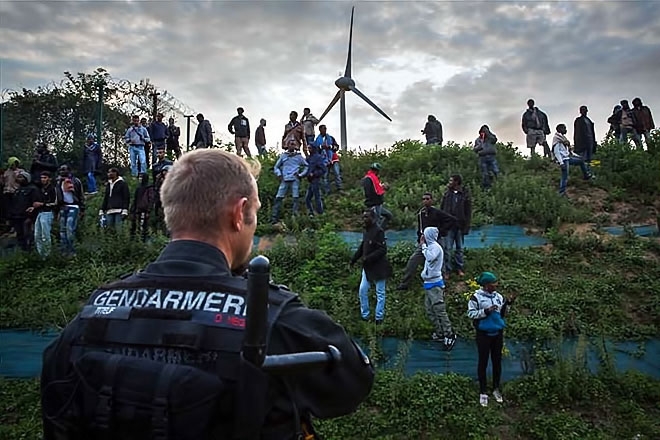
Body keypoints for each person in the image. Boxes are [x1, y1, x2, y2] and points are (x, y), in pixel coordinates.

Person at [41, 149, 374, 440]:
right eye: (255, 214)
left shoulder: (93, 312)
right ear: (238, 213)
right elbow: (352, 384)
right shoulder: (271, 316)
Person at [467, 272, 516, 407]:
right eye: (493, 284)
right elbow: (471, 314)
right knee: (483, 362)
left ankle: (496, 388)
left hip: (497, 333)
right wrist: (486, 311)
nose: (496, 285)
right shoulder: (476, 298)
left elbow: (502, 315)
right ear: (486, 285)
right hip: (483, 334)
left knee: (497, 362)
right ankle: (483, 391)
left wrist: (508, 304)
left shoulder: (498, 297)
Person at [398, 192, 456, 291]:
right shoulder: (421, 213)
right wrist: (419, 238)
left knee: (439, 263)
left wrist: (441, 231)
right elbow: (420, 227)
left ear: (431, 200)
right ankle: (405, 283)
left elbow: (451, 220)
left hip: (436, 241)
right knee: (413, 260)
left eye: (427, 199)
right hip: (424, 242)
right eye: (424, 199)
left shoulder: (437, 212)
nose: (425, 201)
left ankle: (442, 285)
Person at [350, 208, 390, 324]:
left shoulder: (378, 231)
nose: (364, 219)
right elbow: (363, 246)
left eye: (367, 217)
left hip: (379, 267)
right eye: (363, 217)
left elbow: (383, 249)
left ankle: (379, 318)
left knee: (380, 293)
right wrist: (354, 259)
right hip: (367, 267)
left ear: (373, 218)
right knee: (362, 290)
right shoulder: (366, 231)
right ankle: (365, 316)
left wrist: (369, 257)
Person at [421, 226, 456, 351]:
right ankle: (440, 332)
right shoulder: (431, 247)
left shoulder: (435, 247)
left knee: (440, 311)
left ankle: (449, 334)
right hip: (428, 284)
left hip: (435, 285)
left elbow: (430, 257)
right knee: (430, 310)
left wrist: (423, 247)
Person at [440, 174, 471, 277]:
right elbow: (442, 210)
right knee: (447, 249)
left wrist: (466, 227)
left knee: (459, 249)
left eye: (451, 181)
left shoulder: (464, 195)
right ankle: (447, 270)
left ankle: (459, 268)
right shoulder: (446, 194)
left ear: (456, 182)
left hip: (460, 226)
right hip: (448, 226)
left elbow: (468, 212)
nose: (449, 183)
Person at [270, 142, 308, 224]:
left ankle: (295, 218)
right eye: (290, 144)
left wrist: (301, 174)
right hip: (284, 179)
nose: (292, 146)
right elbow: (276, 167)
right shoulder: (283, 156)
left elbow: (306, 166)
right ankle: (274, 218)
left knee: (295, 198)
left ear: (295, 146)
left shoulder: (299, 157)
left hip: (295, 179)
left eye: (293, 144)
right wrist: (279, 174)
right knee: (279, 197)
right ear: (287, 146)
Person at [552, 123, 593, 197]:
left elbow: (568, 151)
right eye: (564, 128)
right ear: (560, 129)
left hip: (567, 158)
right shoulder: (557, 139)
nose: (566, 130)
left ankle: (586, 175)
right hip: (564, 160)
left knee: (581, 161)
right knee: (565, 176)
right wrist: (561, 163)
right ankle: (561, 193)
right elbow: (557, 152)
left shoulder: (563, 139)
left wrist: (578, 156)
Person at [55, 165, 85, 256]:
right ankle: (64, 252)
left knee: (70, 229)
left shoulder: (75, 181)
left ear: (69, 170)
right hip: (63, 207)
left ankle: (72, 252)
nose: (62, 171)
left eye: (64, 169)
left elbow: (80, 195)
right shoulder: (58, 182)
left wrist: (82, 208)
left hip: (73, 206)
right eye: (60, 170)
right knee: (62, 231)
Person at [9, 171, 39, 251]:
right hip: (16, 217)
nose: (18, 179)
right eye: (18, 177)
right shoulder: (17, 190)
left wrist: (31, 217)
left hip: (27, 217)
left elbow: (35, 204)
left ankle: (30, 253)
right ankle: (23, 253)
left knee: (28, 236)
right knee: (20, 236)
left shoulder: (33, 189)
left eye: (21, 177)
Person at [33, 171, 58, 257]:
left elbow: (55, 202)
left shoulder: (52, 189)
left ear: (49, 179)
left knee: (45, 235)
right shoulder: (41, 189)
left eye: (45, 178)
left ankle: (47, 254)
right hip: (39, 213)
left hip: (47, 213)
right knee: (37, 235)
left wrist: (42, 204)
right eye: (42, 178)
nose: (43, 180)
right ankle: (41, 255)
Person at [362, 163, 392, 230]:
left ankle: (379, 231)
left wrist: (382, 187)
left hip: (378, 204)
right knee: (375, 222)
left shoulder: (375, 179)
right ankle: (375, 235)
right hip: (374, 204)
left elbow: (377, 189)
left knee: (388, 215)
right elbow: (369, 192)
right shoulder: (368, 179)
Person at [473, 125, 499, 189]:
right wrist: (480, 145)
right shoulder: (478, 140)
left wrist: (489, 134)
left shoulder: (491, 138)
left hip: (491, 156)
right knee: (485, 174)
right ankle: (487, 188)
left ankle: (496, 184)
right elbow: (475, 149)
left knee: (495, 171)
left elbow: (495, 140)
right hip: (482, 158)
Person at [304, 145, 325, 217]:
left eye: (310, 148)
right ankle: (311, 212)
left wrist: (314, 174)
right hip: (310, 181)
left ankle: (320, 213)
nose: (308, 149)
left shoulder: (318, 157)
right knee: (307, 199)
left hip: (316, 180)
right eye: (308, 148)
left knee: (317, 197)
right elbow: (305, 168)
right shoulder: (309, 158)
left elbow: (323, 170)